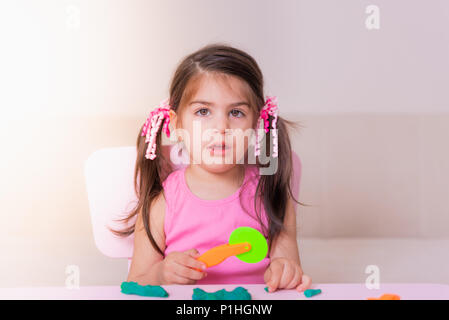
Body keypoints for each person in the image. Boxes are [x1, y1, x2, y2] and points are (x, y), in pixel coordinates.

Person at [113, 43, 311, 293]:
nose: (221, 127)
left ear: (257, 123)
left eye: (236, 112)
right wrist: (161, 273)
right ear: (176, 124)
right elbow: (135, 284)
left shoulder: (272, 197)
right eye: (203, 111)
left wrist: (286, 271)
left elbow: (289, 268)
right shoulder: (161, 203)